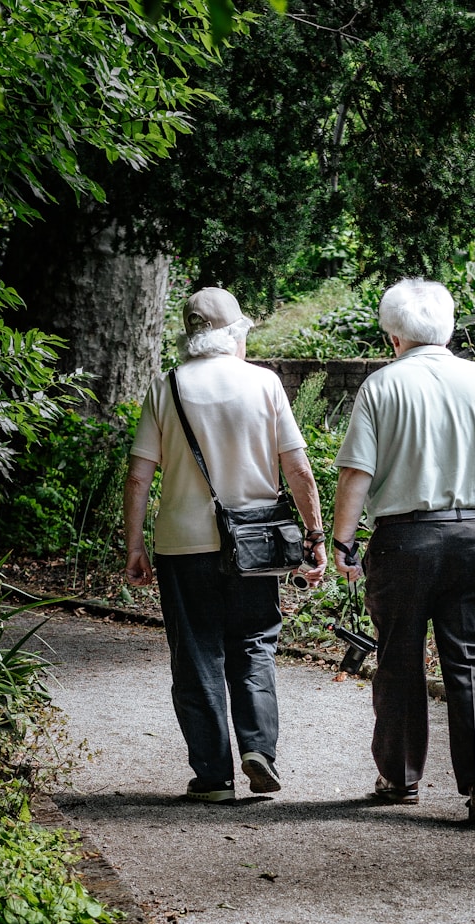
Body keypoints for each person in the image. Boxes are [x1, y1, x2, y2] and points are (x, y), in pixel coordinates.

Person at [332, 277, 475, 825]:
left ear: (393, 335)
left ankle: (399, 779)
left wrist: (343, 541)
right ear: (447, 328)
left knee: (398, 656)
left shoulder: (382, 386)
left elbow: (357, 473)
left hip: (404, 541)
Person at [124, 286, 327, 803]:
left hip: (182, 545)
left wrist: (134, 545)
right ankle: (259, 749)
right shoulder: (265, 383)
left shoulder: (165, 387)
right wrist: (315, 535)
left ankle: (213, 776)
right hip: (256, 544)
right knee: (254, 644)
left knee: (195, 655)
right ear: (235, 332)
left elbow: (138, 477)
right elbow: (298, 468)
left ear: (190, 335)